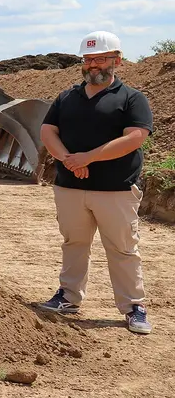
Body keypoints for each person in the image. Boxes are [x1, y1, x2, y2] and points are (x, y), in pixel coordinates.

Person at [37, 31, 154, 335]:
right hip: (70, 186)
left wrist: (88, 158)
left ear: (117, 59)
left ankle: (133, 307)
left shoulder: (131, 98)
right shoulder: (66, 97)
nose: (93, 65)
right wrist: (67, 160)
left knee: (123, 248)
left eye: (101, 58)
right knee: (74, 244)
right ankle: (68, 297)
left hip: (115, 189)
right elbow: (48, 131)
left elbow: (134, 137)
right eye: (88, 59)